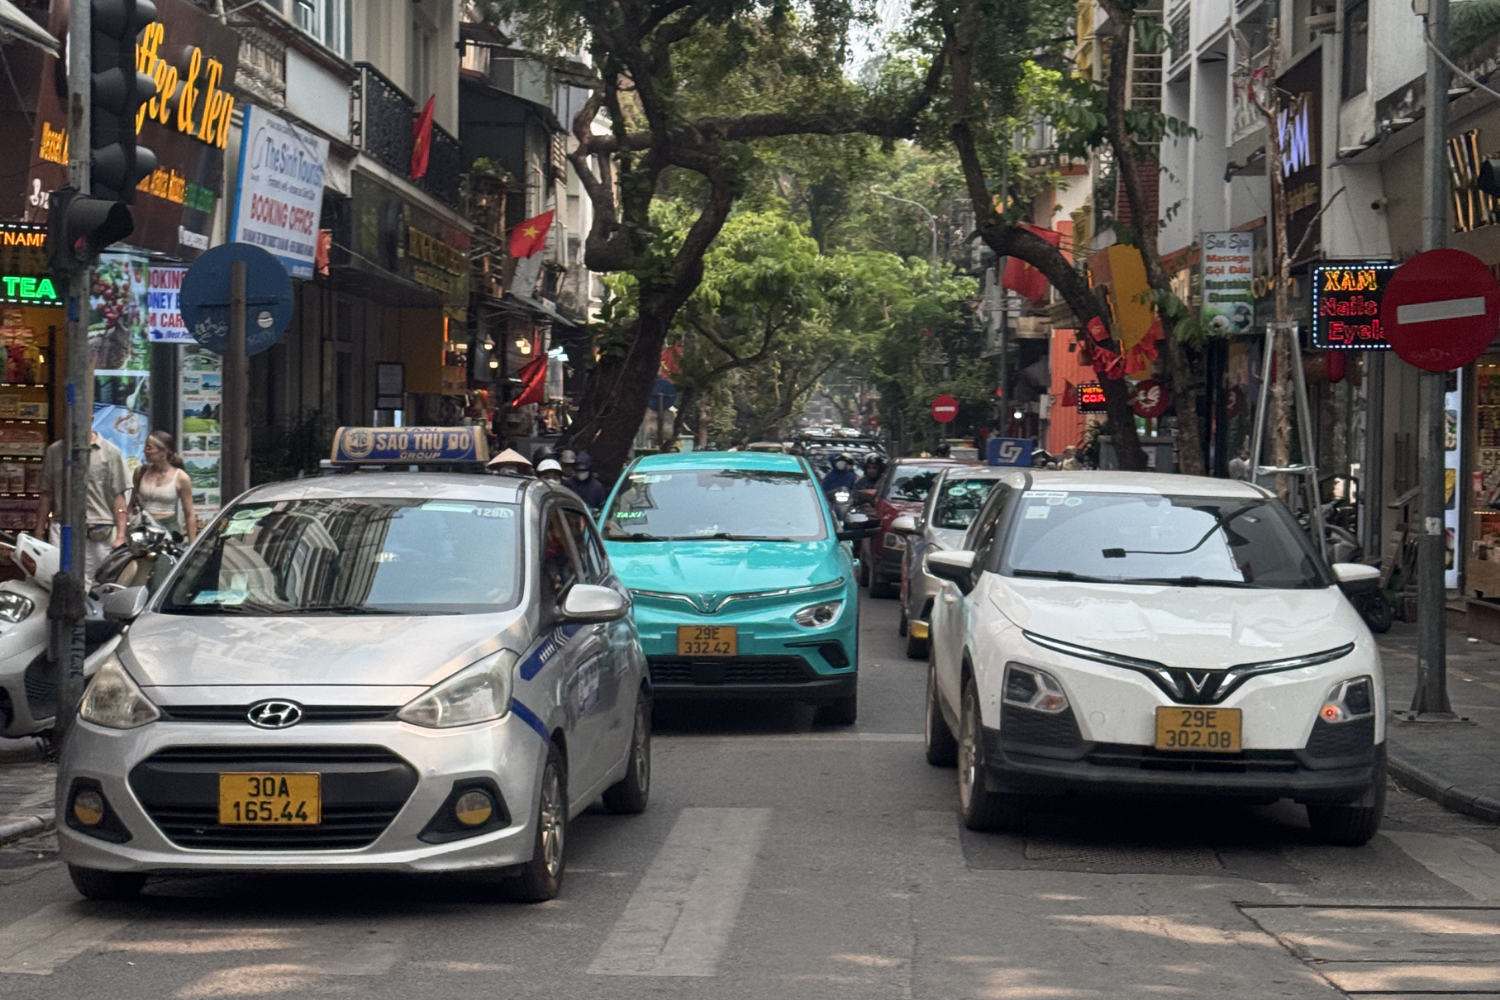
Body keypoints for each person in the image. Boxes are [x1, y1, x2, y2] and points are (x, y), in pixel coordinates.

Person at [37, 418, 130, 586]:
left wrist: (121, 535)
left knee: (97, 584)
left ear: (91, 419)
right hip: (62, 526)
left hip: (99, 530)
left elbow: (119, 496)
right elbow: (46, 494)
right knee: (57, 581)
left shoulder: (110, 452)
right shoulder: (55, 451)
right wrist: (38, 531)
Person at [132, 431, 198, 543]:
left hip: (168, 529)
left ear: (163, 451)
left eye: (149, 448)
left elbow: (189, 514)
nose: (144, 451)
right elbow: (131, 504)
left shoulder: (181, 478)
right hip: (144, 529)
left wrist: (193, 545)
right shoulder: (141, 472)